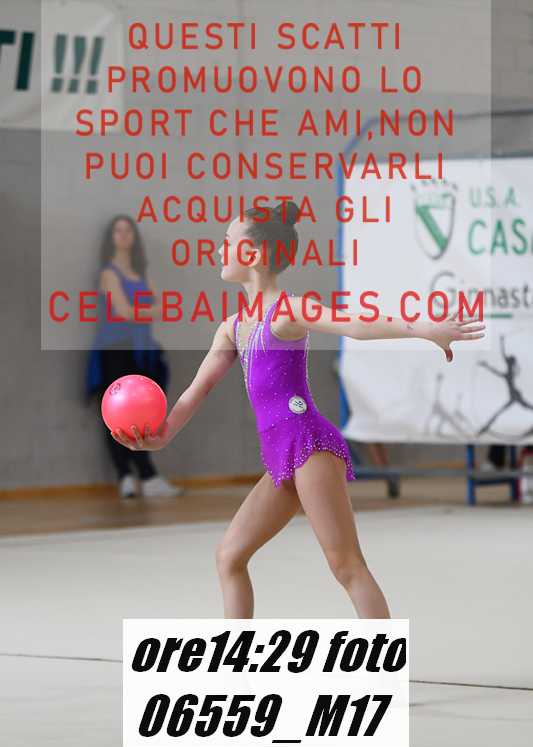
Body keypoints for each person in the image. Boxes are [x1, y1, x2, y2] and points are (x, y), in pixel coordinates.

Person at [112, 202, 485, 617]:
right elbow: (195, 392)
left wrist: (424, 329)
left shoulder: (288, 311)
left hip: (308, 447)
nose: (219, 250)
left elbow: (354, 323)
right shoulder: (232, 327)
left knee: (346, 565)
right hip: (280, 457)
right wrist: (161, 435)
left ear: (254, 254)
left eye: (227, 242)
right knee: (229, 557)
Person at [86, 214, 182, 499]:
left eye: (128, 230)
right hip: (115, 350)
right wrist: (146, 311)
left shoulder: (142, 272)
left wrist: (140, 311)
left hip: (142, 350)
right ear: (111, 237)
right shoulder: (108, 273)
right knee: (117, 416)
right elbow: (124, 311)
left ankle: (148, 476)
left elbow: (160, 308)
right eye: (118, 230)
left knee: (143, 415)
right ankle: (126, 476)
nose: (124, 235)